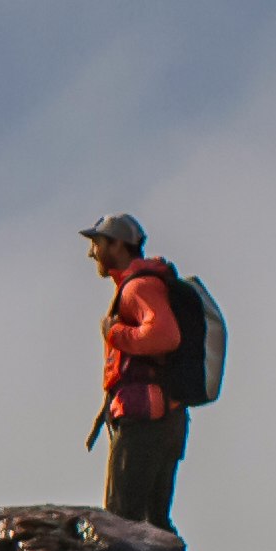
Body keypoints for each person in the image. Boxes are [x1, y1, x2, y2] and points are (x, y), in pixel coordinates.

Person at [83, 212, 191, 534]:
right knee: (153, 523)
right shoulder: (142, 285)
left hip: (145, 421)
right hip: (164, 416)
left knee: (122, 523)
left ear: (117, 245)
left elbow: (165, 336)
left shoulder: (138, 288)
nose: (92, 253)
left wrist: (115, 333)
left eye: (97, 244)